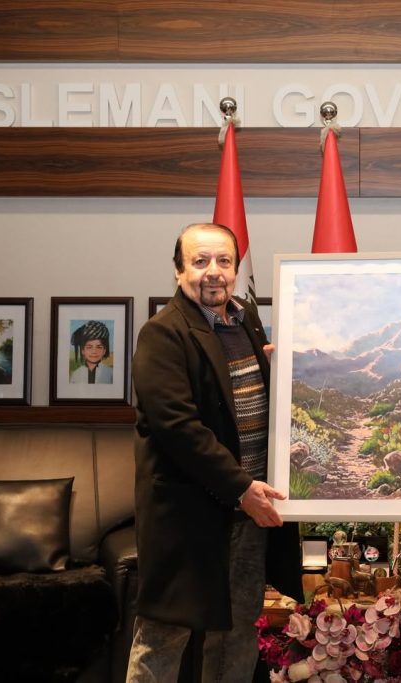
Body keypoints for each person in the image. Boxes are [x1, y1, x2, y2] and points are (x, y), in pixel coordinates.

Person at [126, 222, 301, 683]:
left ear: (236, 269)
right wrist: (241, 487)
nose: (214, 272)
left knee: (239, 631)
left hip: (250, 514)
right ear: (179, 270)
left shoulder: (246, 319)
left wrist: (282, 370)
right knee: (164, 635)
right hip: (190, 515)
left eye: (224, 261)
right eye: (200, 261)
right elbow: (177, 427)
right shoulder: (162, 334)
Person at [69, 320, 113, 384]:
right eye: (89, 347)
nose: (94, 351)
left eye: (99, 347)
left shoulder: (110, 373)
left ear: (104, 350)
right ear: (82, 350)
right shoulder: (76, 374)